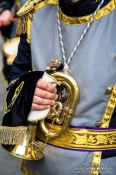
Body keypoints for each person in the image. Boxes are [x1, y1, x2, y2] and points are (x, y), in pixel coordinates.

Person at [2, 0, 116, 175]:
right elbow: (16, 77)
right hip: (40, 160)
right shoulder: (35, 13)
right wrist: (29, 91)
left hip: (104, 163)